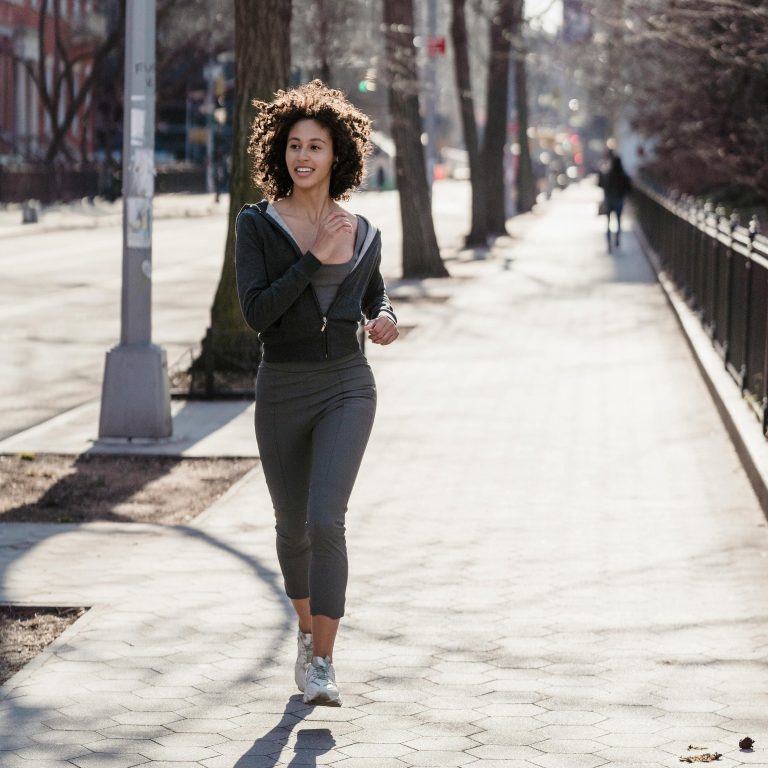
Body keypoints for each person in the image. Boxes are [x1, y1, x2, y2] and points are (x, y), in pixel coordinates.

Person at [235, 80, 399, 707]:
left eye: (317, 146)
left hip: (346, 384)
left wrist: (383, 316)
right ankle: (307, 633)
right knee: (291, 527)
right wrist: (311, 257)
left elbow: (371, 294)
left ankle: (325, 661)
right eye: (295, 145)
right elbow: (257, 313)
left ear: (339, 156)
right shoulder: (258, 224)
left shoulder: (361, 230)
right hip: (282, 385)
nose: (304, 156)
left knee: (327, 520)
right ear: (281, 153)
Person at [598, 153, 632, 250]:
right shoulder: (623, 175)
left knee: (608, 222)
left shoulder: (607, 174)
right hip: (619, 200)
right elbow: (628, 188)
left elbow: (600, 184)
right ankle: (617, 239)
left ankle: (609, 242)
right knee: (618, 221)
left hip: (609, 200)